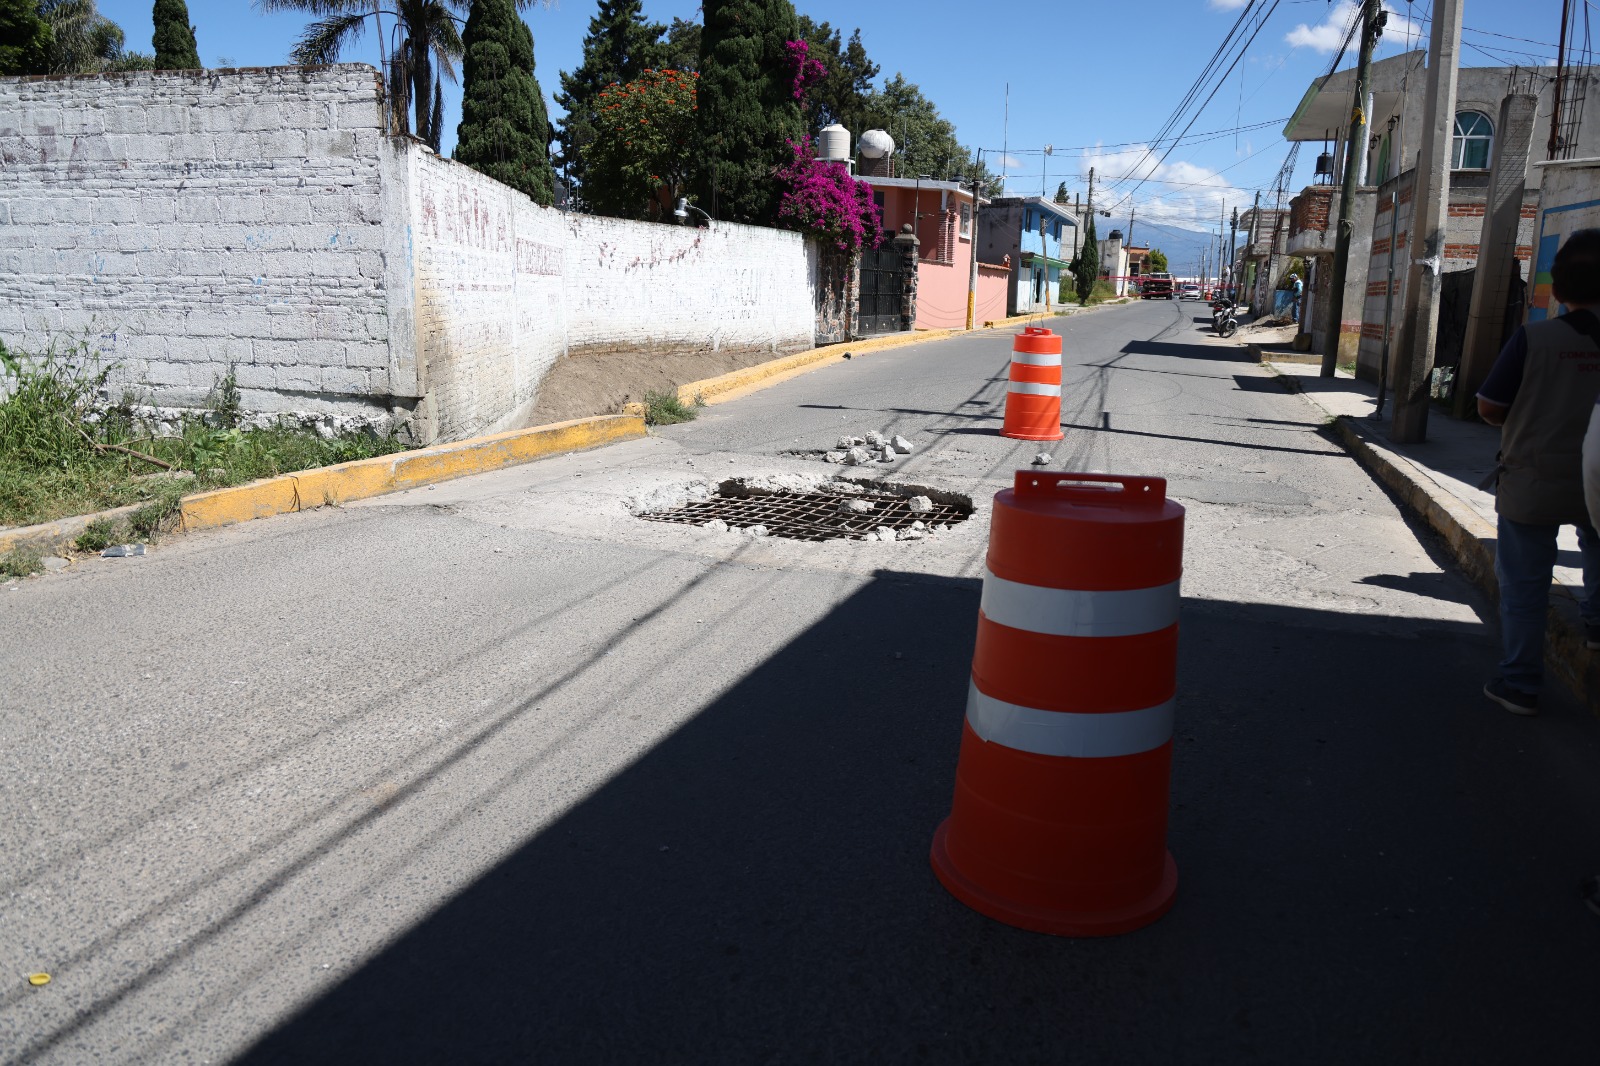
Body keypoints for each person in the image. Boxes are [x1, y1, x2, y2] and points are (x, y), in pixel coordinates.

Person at [1476, 229, 1600, 716]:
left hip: (1534, 478)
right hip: (1597, 481)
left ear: (1559, 287)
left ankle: (1520, 683)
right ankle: (1596, 625)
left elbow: (1490, 406)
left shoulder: (1535, 339)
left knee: (1525, 585)